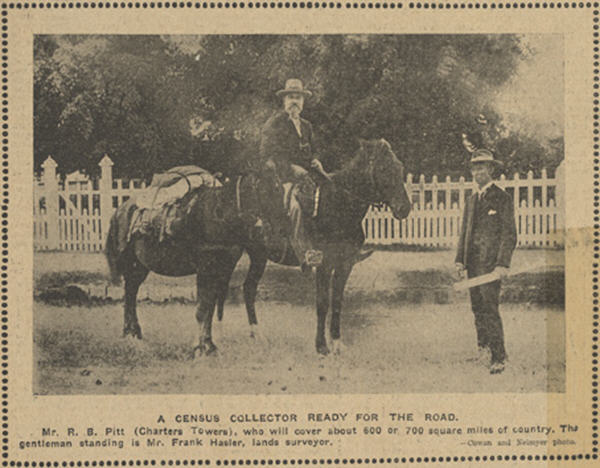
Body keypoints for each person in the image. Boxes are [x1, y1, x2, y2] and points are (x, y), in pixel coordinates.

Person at [455, 149, 517, 375]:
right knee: (477, 307)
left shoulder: (502, 198)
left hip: (491, 266)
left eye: (482, 167)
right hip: (472, 264)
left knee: (490, 308)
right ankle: (483, 349)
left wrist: (502, 264)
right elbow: (465, 233)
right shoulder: (471, 200)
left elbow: (509, 234)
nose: (478, 171)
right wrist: (459, 261)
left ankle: (499, 357)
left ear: (491, 170)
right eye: (474, 167)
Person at [259, 79, 327, 270]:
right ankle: (304, 255)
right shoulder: (275, 123)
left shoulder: (306, 126)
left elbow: (315, 149)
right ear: (284, 101)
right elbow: (267, 154)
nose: (294, 102)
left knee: (329, 198)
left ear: (303, 102)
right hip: (282, 177)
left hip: (308, 177)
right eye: (290, 98)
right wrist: (290, 167)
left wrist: (316, 159)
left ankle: (331, 248)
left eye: (298, 98)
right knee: (296, 207)